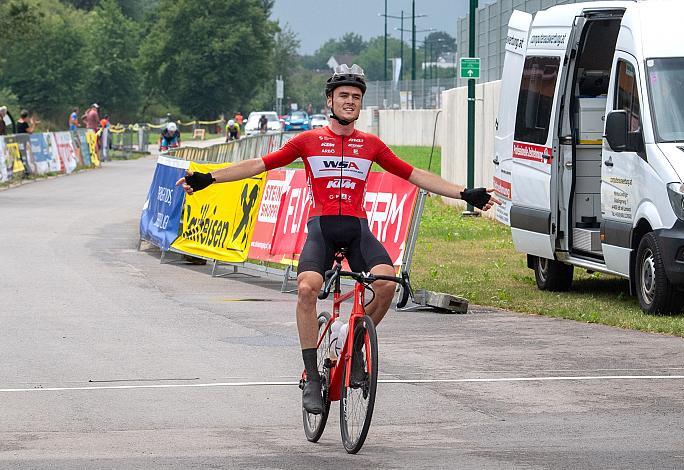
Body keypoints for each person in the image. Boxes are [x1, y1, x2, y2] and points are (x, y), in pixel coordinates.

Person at [176, 64, 499, 414]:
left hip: (357, 229)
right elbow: (260, 164)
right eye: (343, 96)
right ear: (330, 100)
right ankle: (313, 377)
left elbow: (415, 174)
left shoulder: (371, 145)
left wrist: (464, 192)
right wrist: (210, 177)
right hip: (322, 230)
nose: (350, 102)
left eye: (356, 97)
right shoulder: (308, 141)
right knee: (306, 289)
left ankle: (354, 342)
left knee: (387, 282)